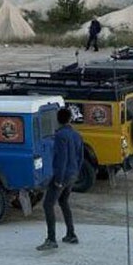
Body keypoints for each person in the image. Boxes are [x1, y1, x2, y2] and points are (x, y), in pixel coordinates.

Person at [37, 107, 83, 251]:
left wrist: (58, 179)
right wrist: (75, 173)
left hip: (62, 175)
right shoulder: (77, 135)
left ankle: (51, 239)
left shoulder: (60, 135)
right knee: (63, 201)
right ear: (70, 119)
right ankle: (71, 234)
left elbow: (61, 159)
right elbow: (80, 156)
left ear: (58, 120)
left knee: (48, 205)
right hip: (73, 174)